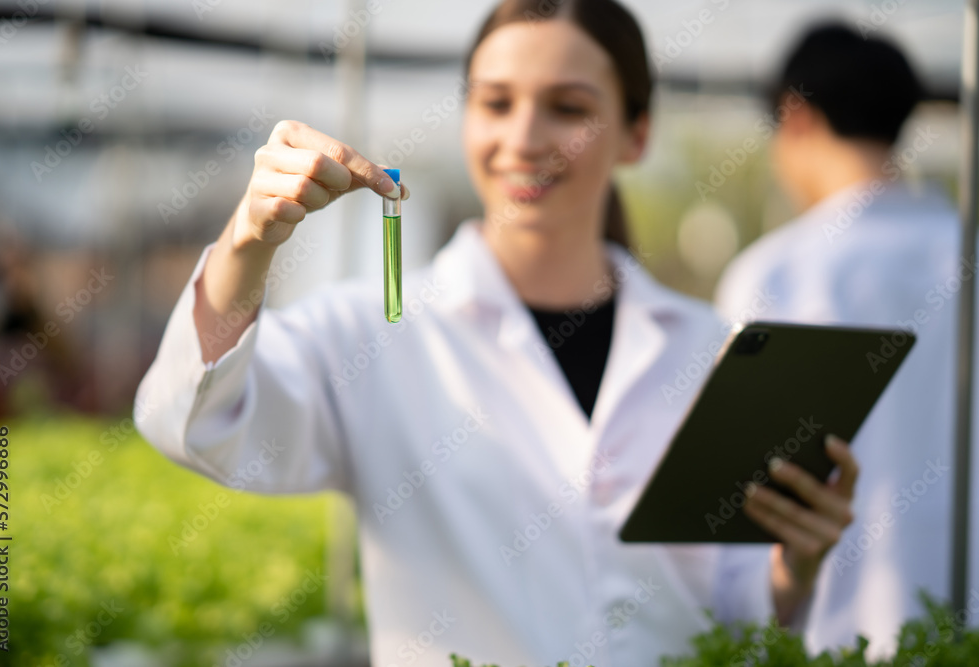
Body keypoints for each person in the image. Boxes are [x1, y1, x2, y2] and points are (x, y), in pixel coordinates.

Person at [136, 2, 858, 665]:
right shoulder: (375, 334)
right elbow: (194, 425)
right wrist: (246, 243)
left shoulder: (706, 349)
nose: (522, 137)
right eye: (496, 102)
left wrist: (791, 568)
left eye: (568, 107)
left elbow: (729, 608)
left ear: (637, 135)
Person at [714, 23, 970, 659]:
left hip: (832, 635)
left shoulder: (774, 274)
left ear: (796, 116)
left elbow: (735, 495)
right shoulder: (962, 252)